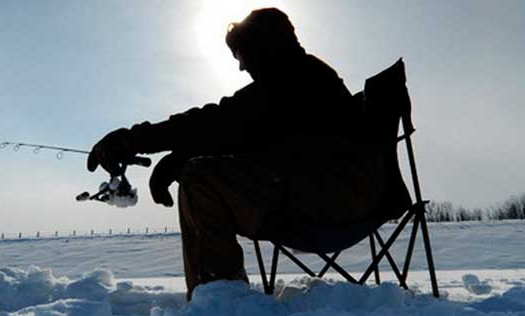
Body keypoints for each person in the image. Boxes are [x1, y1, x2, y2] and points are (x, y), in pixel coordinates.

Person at [87, 8, 388, 300]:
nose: (241, 67)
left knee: (199, 178)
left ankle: (219, 299)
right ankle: (217, 294)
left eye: (241, 55)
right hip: (336, 193)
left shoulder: (294, 78)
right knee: (198, 167)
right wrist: (180, 154)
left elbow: (220, 121)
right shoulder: (301, 79)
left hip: (335, 201)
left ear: (264, 47)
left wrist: (134, 140)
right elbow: (240, 132)